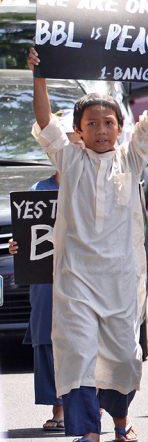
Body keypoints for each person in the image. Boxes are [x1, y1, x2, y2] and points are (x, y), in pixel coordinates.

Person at [28, 47, 148, 442]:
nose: (101, 130)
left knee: (123, 357)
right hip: (76, 280)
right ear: (78, 130)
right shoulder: (69, 159)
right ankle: (86, 431)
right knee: (77, 354)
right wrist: (39, 75)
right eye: (92, 124)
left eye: (109, 123)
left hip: (121, 280)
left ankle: (120, 422)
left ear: (120, 127)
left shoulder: (131, 159)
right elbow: (44, 121)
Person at [11, 167, 64, 434]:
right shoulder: (37, 192)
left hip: (85, 275)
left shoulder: (93, 183)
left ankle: (88, 403)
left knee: (85, 337)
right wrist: (15, 245)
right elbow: (25, 232)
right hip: (44, 279)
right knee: (46, 337)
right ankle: (58, 407)